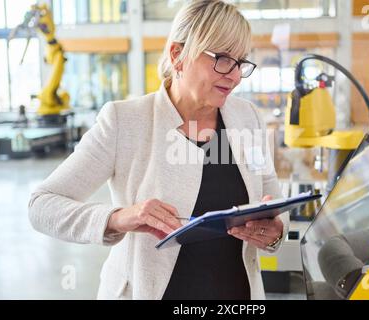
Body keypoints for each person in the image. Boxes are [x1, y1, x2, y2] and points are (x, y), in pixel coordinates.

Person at [28, 0, 289, 300]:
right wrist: (117, 217)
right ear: (178, 55)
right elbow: (42, 206)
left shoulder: (248, 118)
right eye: (222, 58)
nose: (234, 75)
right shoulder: (125, 121)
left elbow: (274, 197)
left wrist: (275, 232)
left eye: (241, 62)